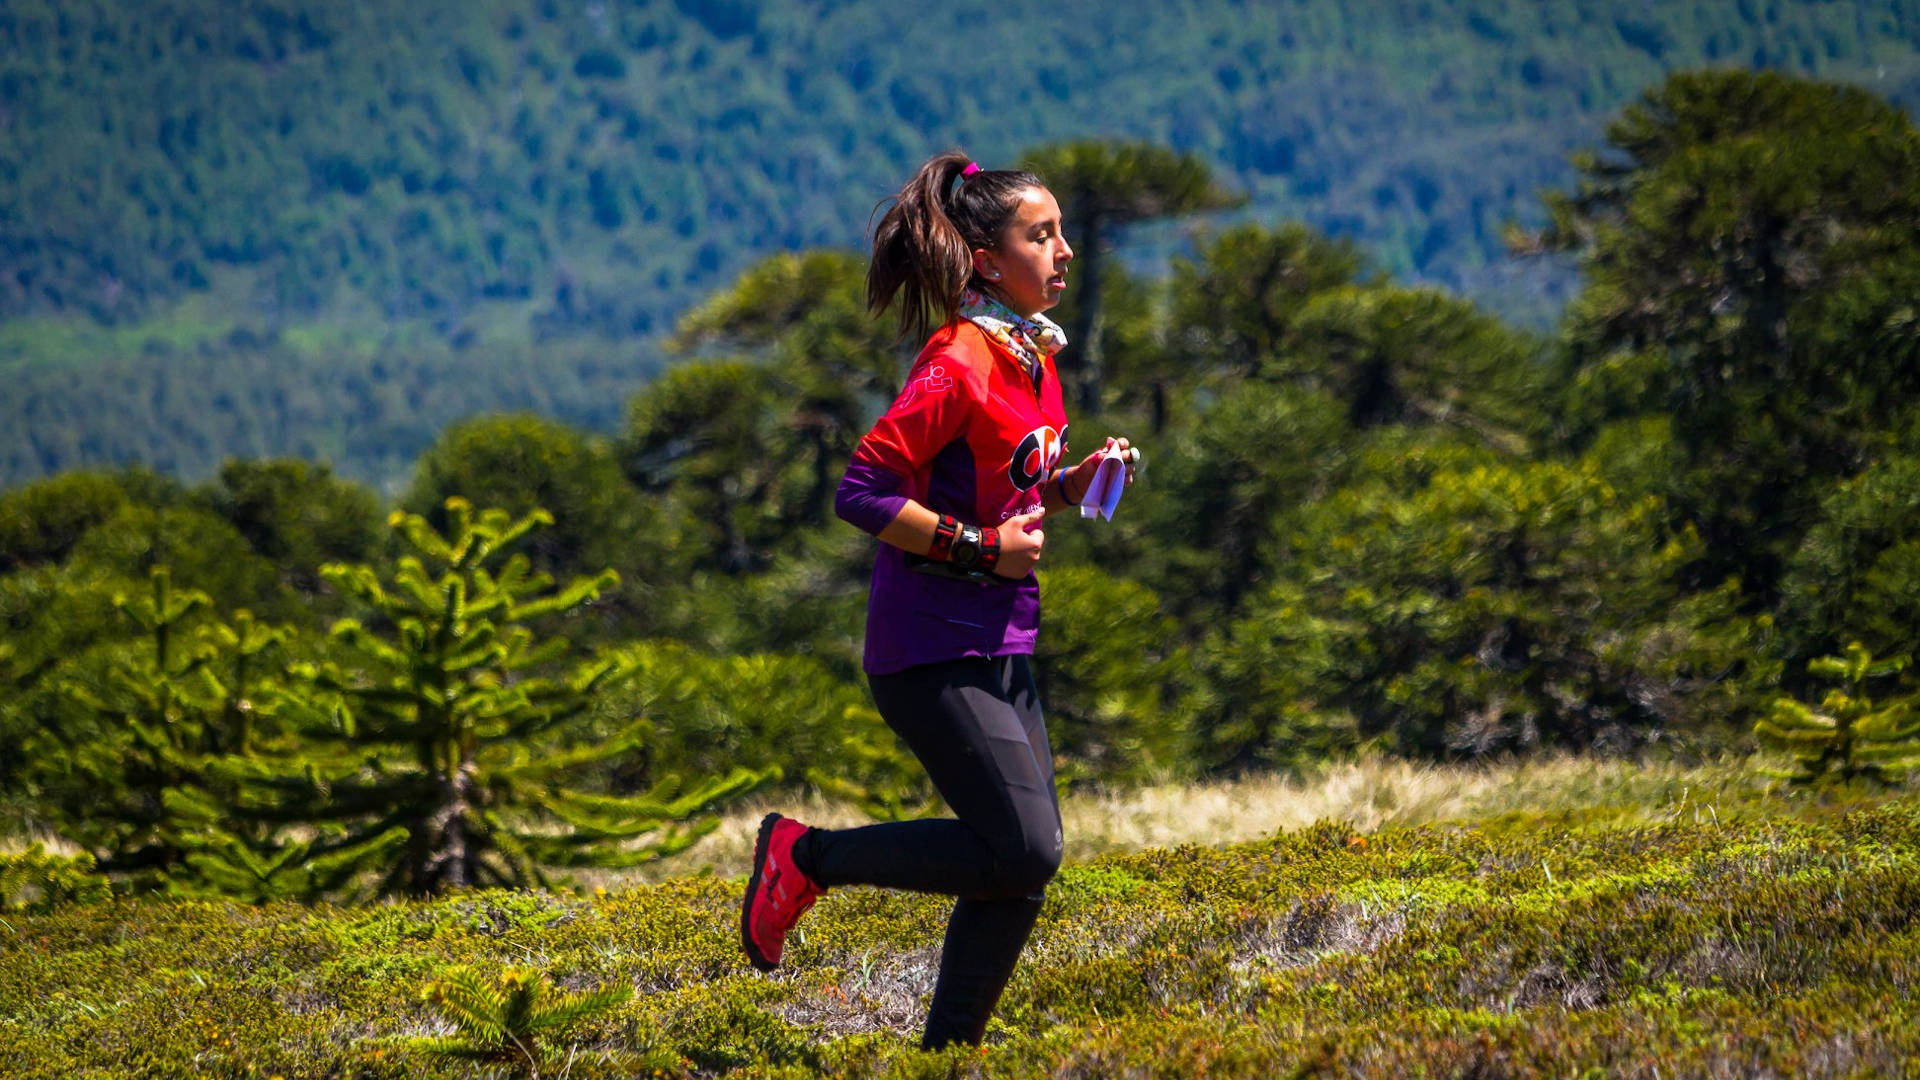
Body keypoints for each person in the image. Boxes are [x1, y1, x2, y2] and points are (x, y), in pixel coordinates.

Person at [737, 149, 1137, 1051]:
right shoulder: (957, 359)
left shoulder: (1034, 357)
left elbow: (1004, 485)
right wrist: (980, 547)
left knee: (1016, 867)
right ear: (987, 262)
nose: (1066, 250)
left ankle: (946, 1061)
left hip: (1003, 639)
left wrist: (1072, 484)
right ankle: (805, 857)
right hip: (929, 651)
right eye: (1043, 235)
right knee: (1028, 847)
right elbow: (863, 491)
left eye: (1063, 231)